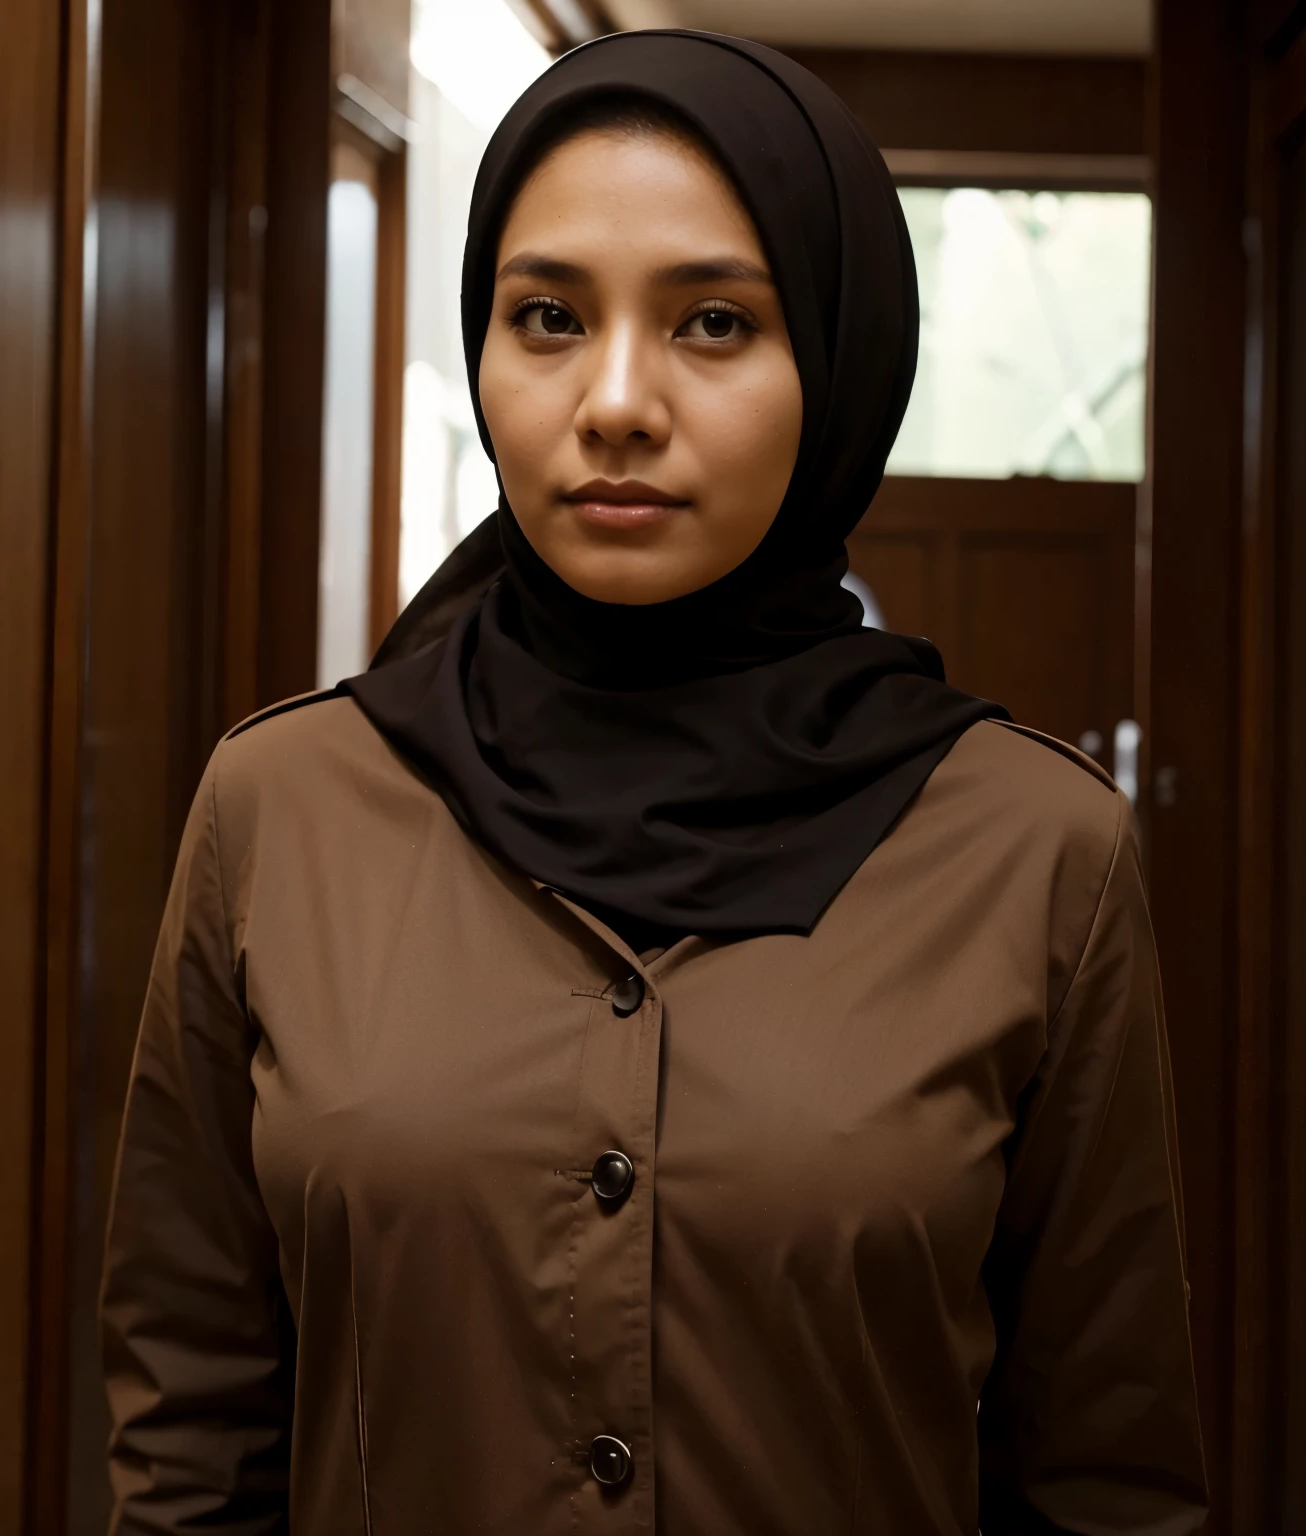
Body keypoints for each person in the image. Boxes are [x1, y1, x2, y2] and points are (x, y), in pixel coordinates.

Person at [100, 29, 1206, 1535]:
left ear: (838, 355)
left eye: (713, 325)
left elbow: (1102, 1480)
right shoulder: (282, 806)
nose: (615, 399)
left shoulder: (1036, 850)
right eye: (547, 315)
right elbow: (188, 1439)